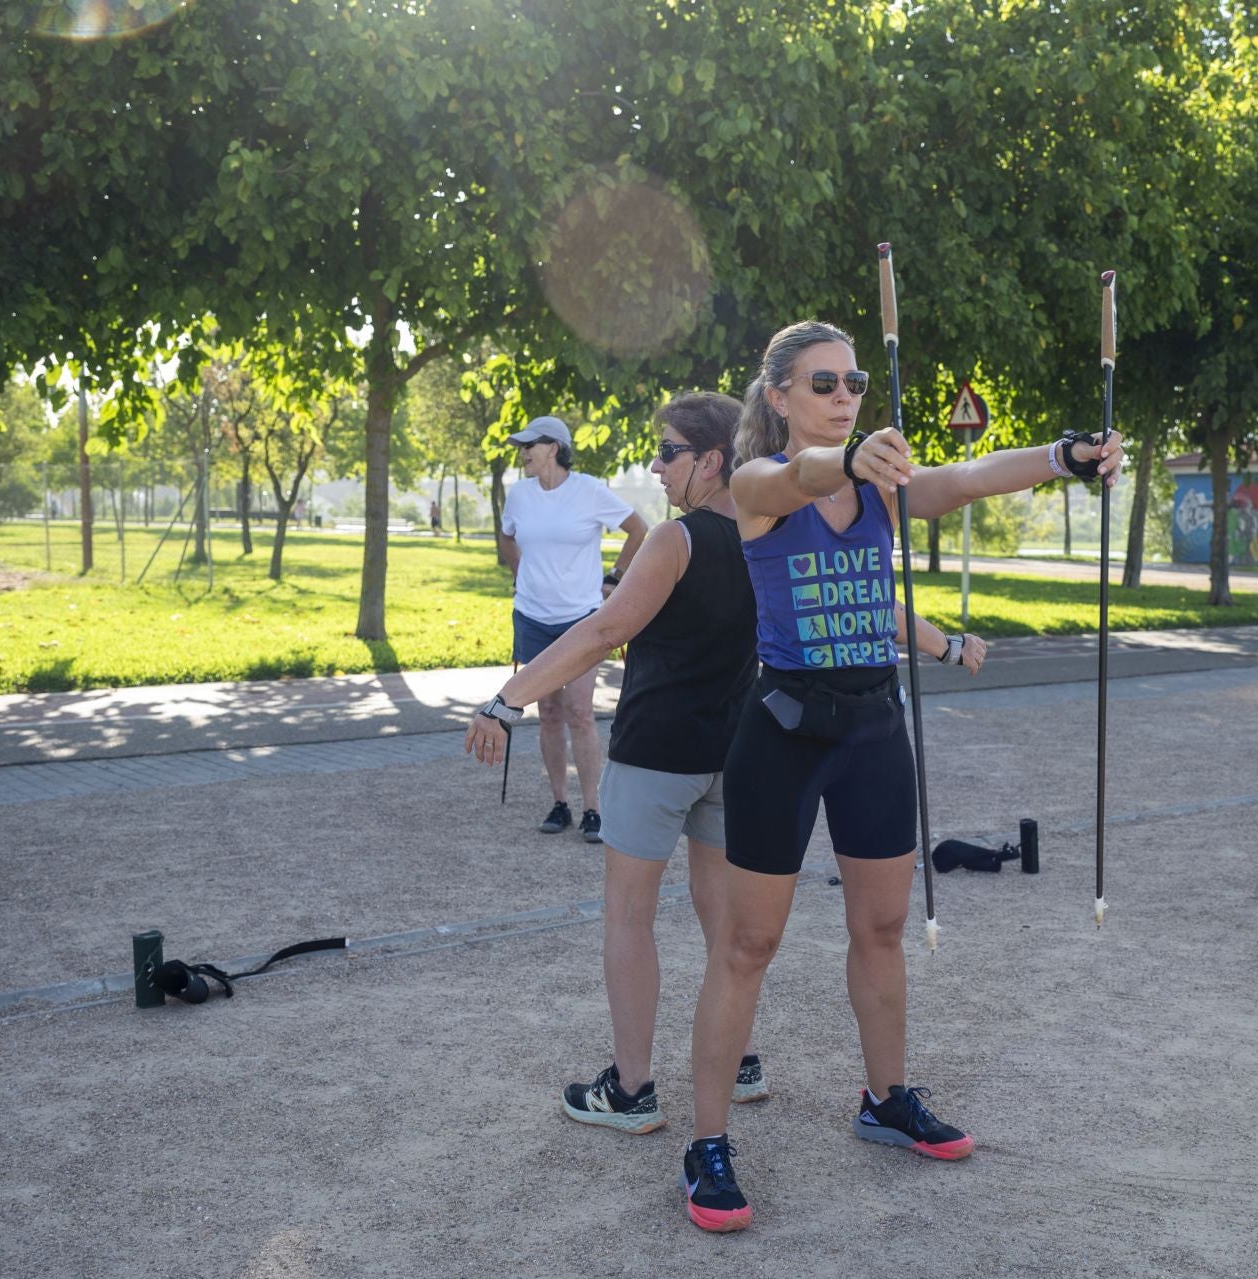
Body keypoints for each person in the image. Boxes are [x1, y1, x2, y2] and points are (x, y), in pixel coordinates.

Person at [678, 320, 1121, 1233]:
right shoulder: (760, 485)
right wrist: (847, 460)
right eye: (823, 383)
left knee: (880, 924)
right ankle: (707, 1142)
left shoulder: (884, 488)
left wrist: (1067, 455)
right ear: (780, 397)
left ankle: (886, 1100)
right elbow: (792, 476)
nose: (844, 396)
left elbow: (967, 477)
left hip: (873, 726)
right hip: (783, 731)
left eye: (853, 385)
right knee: (747, 945)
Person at [465, 394, 987, 1140]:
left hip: (656, 754)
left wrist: (507, 698)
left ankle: (633, 1087)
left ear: (711, 461)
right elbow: (875, 602)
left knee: (630, 918)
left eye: (669, 450)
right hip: (741, 753)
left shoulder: (678, 541)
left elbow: (605, 629)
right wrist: (945, 644)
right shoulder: (780, 525)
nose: (656, 463)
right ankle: (740, 1061)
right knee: (729, 925)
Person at [497, 415, 649, 843]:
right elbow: (508, 538)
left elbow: (639, 529)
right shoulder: (519, 495)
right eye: (521, 445)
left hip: (580, 618)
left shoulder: (587, 490)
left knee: (580, 713)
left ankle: (593, 808)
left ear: (554, 448)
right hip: (532, 616)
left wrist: (613, 579)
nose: (523, 451)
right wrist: (519, 574)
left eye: (531, 444)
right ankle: (559, 803)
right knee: (546, 713)